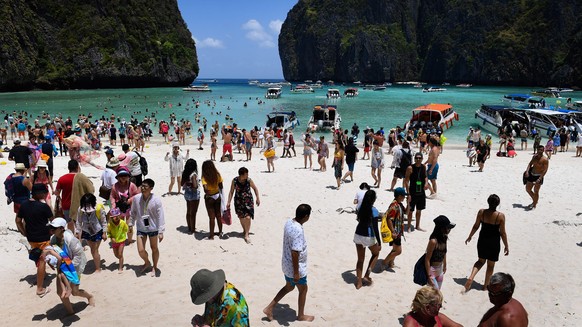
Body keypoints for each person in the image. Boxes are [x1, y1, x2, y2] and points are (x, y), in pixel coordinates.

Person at [263, 204, 314, 322]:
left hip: (286, 264)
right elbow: (295, 253)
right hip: (295, 267)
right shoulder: (298, 230)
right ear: (306, 216)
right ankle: (301, 315)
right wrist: (296, 273)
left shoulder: (289, 222)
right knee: (303, 289)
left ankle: (269, 308)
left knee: (289, 287)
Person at [48, 217, 95, 315]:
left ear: (61, 228)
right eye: (51, 227)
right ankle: (70, 313)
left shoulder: (70, 239)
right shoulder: (53, 239)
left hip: (74, 267)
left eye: (54, 228)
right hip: (62, 267)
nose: (51, 230)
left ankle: (89, 296)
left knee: (75, 291)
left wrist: (69, 268)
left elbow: (78, 255)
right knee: (60, 292)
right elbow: (53, 253)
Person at [464, 194, 509, 292]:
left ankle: (471, 277)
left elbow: (476, 226)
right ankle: (485, 286)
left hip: (482, 240)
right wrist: (506, 246)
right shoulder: (500, 216)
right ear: (498, 204)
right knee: (490, 265)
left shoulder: (481, 212)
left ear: (488, 202)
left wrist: (470, 236)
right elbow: (503, 233)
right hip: (494, 242)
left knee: (480, 261)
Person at [15, 183, 52, 297]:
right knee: (42, 261)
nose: (46, 194)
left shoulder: (24, 205)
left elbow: (17, 220)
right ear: (39, 194)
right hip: (43, 238)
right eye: (44, 192)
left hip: (31, 238)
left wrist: (24, 232)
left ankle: (42, 274)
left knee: (38, 258)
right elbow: (52, 219)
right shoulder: (43, 206)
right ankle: (40, 288)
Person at [130, 178, 165, 276]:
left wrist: (161, 231)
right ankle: (147, 262)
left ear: (151, 188)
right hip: (141, 228)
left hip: (153, 228)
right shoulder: (136, 198)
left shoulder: (156, 200)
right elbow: (133, 212)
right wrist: (130, 224)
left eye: (145, 186)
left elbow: (160, 216)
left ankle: (155, 266)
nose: (143, 188)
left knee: (154, 248)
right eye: (142, 186)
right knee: (141, 250)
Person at [353, 190, 381, 289]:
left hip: (358, 234)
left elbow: (359, 219)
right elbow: (375, 228)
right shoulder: (374, 210)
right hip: (369, 236)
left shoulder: (360, 208)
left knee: (360, 260)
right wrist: (379, 242)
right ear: (373, 199)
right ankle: (367, 275)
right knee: (376, 253)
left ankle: (359, 282)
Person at [75, 193, 108, 273]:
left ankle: (98, 268)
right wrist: (77, 232)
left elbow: (104, 221)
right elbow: (78, 221)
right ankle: (97, 259)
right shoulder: (80, 209)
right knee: (93, 249)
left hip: (97, 231)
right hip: (86, 231)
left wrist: (104, 232)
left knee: (94, 249)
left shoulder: (98, 209)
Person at [226, 167, 260, 244]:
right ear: (241, 175)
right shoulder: (234, 181)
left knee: (248, 217)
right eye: (246, 174)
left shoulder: (249, 180)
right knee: (241, 217)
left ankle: (246, 234)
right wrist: (229, 202)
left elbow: (255, 189)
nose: (247, 175)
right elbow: (231, 191)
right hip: (238, 202)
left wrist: (257, 198)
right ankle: (245, 230)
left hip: (248, 201)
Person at [424, 215, 455, 290]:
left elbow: (444, 252)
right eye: (448, 228)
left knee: (436, 295)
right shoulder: (433, 241)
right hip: (432, 271)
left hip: (440, 270)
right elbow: (427, 259)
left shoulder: (444, 238)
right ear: (441, 228)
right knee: (436, 293)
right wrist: (428, 276)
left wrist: (445, 265)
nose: (449, 230)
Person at [110, 168, 139, 244]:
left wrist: (129, 201)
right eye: (121, 176)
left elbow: (136, 195)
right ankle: (122, 238)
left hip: (130, 208)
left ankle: (129, 240)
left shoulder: (132, 185)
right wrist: (113, 206)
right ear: (118, 177)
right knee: (120, 225)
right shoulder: (115, 186)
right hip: (119, 209)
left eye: (125, 176)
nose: (123, 177)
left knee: (129, 225)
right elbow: (112, 197)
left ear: (128, 177)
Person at [381, 187, 407, 269]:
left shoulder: (399, 204)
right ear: (399, 196)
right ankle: (384, 262)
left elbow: (406, 212)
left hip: (398, 230)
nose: (404, 197)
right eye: (403, 196)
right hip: (395, 231)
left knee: (395, 249)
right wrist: (393, 231)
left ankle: (391, 263)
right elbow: (389, 219)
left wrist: (409, 203)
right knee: (398, 251)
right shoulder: (394, 206)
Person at [405, 153, 429, 232]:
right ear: (414, 158)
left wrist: (426, 183)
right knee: (411, 211)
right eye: (416, 158)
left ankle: (417, 226)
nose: (418, 159)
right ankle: (408, 226)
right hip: (413, 192)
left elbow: (425, 176)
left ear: (422, 159)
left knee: (419, 210)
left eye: (419, 158)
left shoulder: (423, 167)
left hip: (421, 192)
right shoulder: (410, 168)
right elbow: (406, 181)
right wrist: (408, 194)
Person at [201, 160, 224, 239]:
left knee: (211, 217)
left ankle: (211, 235)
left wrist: (208, 193)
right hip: (217, 196)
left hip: (210, 197)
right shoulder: (217, 175)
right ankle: (220, 232)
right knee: (218, 215)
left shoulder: (204, 177)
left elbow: (205, 189)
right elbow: (221, 186)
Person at [524, 145, 549, 209]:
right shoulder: (534, 157)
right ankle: (535, 201)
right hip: (531, 174)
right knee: (528, 189)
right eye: (539, 149)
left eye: (541, 150)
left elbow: (545, 170)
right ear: (537, 150)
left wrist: (540, 178)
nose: (540, 151)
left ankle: (534, 204)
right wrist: (527, 171)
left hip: (538, 176)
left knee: (536, 191)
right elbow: (530, 164)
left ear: (543, 150)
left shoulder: (545, 159)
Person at [181, 159, 201, 234]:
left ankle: (189, 227)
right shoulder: (193, 174)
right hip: (194, 194)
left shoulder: (184, 173)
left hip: (187, 193)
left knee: (188, 211)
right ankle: (192, 229)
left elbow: (181, 184)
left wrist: (188, 183)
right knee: (193, 213)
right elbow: (195, 186)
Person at [107, 207, 128, 273]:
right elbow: (108, 232)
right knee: (116, 254)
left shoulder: (122, 222)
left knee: (120, 254)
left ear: (119, 215)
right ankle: (121, 260)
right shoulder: (110, 224)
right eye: (113, 216)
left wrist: (129, 230)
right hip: (114, 242)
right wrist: (111, 237)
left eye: (117, 216)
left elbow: (126, 229)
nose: (115, 218)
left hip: (121, 240)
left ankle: (120, 267)